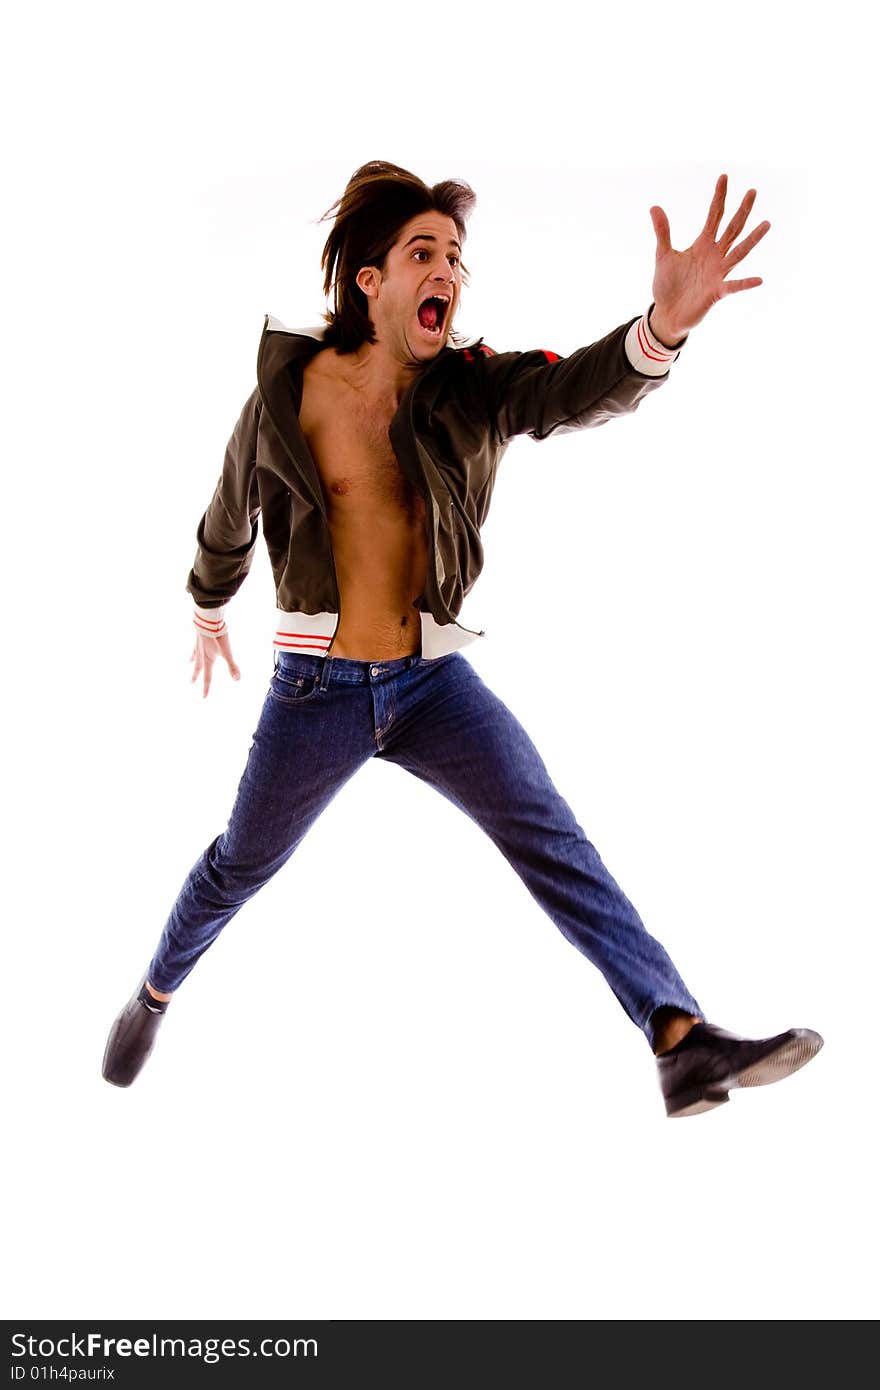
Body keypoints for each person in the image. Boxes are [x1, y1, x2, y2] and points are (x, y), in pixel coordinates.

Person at [102, 160, 823, 1116]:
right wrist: (205, 605)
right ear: (372, 279)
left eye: (455, 258)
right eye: (424, 253)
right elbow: (230, 512)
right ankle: (154, 993)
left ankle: (678, 1038)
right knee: (240, 863)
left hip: (431, 687)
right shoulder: (288, 397)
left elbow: (575, 393)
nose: (447, 271)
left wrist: (663, 330)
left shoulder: (471, 389)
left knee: (552, 838)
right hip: (315, 695)